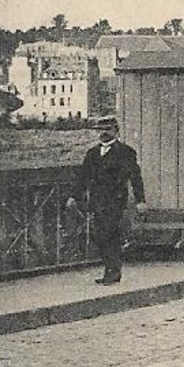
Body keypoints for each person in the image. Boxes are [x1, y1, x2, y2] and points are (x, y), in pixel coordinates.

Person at [66, 117, 148, 285]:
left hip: (115, 201)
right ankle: (110, 270)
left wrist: (141, 200)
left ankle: (113, 271)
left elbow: (135, 177)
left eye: (107, 129)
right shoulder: (92, 153)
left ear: (116, 130)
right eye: (100, 130)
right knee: (99, 235)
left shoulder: (125, 152)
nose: (103, 133)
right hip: (96, 201)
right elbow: (83, 177)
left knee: (110, 234)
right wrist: (74, 196)